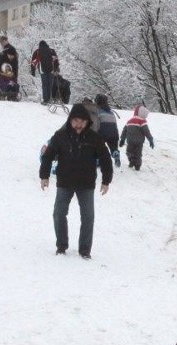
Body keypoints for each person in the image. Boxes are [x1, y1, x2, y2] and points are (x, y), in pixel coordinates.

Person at [39, 103, 113, 259]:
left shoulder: (95, 138)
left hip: (86, 184)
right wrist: (44, 176)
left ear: (87, 121)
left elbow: (106, 159)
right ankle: (61, 246)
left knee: (88, 217)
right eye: (75, 121)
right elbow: (48, 155)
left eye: (82, 121)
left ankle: (85, 250)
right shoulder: (60, 136)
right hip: (64, 182)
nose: (78, 125)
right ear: (70, 120)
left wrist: (106, 180)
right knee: (58, 214)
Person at [119, 104, 154, 171]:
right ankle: (137, 165)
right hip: (139, 141)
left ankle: (132, 160)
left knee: (129, 151)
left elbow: (124, 130)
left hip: (130, 140)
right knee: (138, 153)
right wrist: (150, 139)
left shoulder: (129, 121)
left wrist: (122, 139)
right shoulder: (142, 121)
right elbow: (146, 131)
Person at [95, 94, 121, 167]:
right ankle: (115, 153)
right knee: (113, 146)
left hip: (102, 132)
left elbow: (95, 123)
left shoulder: (97, 111)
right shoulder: (111, 112)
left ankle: (98, 160)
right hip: (114, 132)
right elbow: (115, 124)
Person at [0, 36, 18, 100]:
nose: (1, 44)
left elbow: (15, 67)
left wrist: (15, 77)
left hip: (3, 66)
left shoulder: (9, 49)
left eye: (2, 42)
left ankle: (7, 95)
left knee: (6, 79)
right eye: (0, 42)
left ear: (5, 40)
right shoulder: (5, 50)